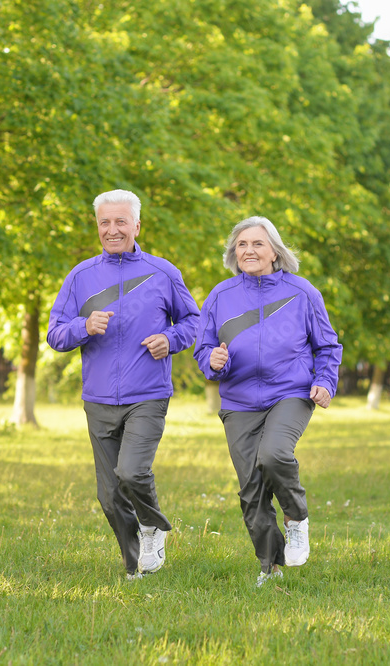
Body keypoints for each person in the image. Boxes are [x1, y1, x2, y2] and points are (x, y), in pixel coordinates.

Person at [47, 189, 199, 580]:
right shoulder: (80, 277)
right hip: (98, 398)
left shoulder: (163, 272)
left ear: (136, 225)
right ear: (97, 226)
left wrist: (171, 340)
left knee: (131, 472)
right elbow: (55, 334)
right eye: (104, 222)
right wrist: (84, 327)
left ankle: (152, 527)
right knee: (110, 495)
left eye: (120, 222)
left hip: (147, 393)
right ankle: (135, 567)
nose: (112, 229)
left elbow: (194, 322)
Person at [194, 216, 342, 587]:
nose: (249, 251)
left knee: (274, 454)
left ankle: (296, 518)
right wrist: (212, 361)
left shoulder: (302, 292)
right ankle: (270, 568)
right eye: (242, 245)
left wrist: (325, 380)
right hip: (239, 400)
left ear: (275, 251)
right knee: (251, 490)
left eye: (258, 244)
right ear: (233, 253)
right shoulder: (220, 296)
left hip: (290, 392)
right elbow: (204, 349)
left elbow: (327, 345)